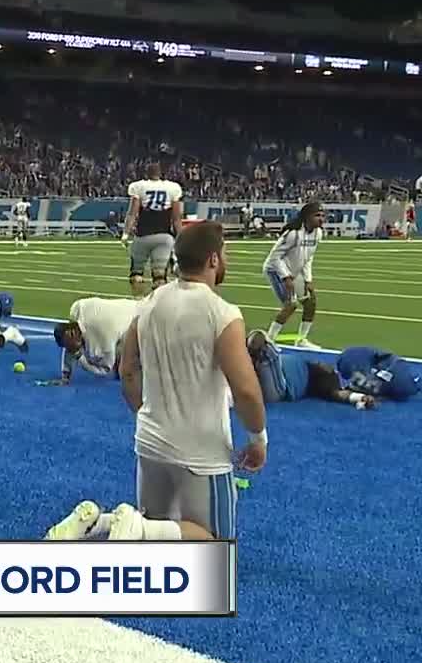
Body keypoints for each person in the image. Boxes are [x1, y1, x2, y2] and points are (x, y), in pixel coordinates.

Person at [46, 222, 266, 542]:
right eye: (225, 253)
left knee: (161, 543)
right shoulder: (222, 313)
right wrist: (258, 438)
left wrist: (145, 415)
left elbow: (129, 370)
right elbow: (245, 389)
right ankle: (136, 527)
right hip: (201, 451)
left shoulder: (149, 302)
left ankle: (99, 524)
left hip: (150, 441)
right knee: (215, 544)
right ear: (213, 260)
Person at [247, 331, 378, 409]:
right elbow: (342, 394)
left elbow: (340, 394)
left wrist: (359, 397)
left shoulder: (320, 381)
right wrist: (360, 397)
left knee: (264, 348)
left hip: (282, 386)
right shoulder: (313, 374)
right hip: (276, 383)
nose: (325, 365)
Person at [264, 201, 324, 348]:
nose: (321, 219)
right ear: (307, 217)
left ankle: (301, 340)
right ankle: (269, 341)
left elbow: (308, 257)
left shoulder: (318, 233)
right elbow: (274, 258)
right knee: (291, 305)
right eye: (317, 215)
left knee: (311, 302)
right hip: (275, 270)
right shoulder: (293, 234)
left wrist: (308, 279)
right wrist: (285, 277)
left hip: (295, 272)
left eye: (323, 215)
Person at [122, 162, 183, 298]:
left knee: (136, 275)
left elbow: (132, 213)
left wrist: (126, 233)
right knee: (160, 278)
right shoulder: (172, 188)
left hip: (143, 236)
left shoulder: (139, 187)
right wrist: (181, 238)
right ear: (160, 174)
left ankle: (139, 307)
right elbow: (176, 219)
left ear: (146, 173)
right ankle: (159, 310)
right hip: (164, 237)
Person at [51, 297, 139, 385]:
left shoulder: (104, 340)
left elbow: (105, 370)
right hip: (125, 306)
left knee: (126, 371)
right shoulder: (77, 309)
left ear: (73, 333)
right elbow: (69, 346)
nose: (69, 350)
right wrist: (65, 376)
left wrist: (81, 358)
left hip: (137, 317)